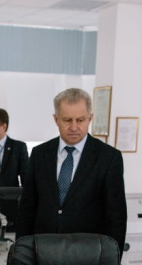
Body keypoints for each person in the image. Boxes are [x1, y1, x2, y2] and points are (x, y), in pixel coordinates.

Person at [15, 88, 127, 252]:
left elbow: (116, 217)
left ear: (90, 118)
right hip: (43, 251)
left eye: (80, 120)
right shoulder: (40, 154)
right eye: (67, 120)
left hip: (87, 255)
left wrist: (111, 261)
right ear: (56, 119)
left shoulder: (109, 158)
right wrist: (21, 252)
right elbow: (27, 208)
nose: (74, 127)